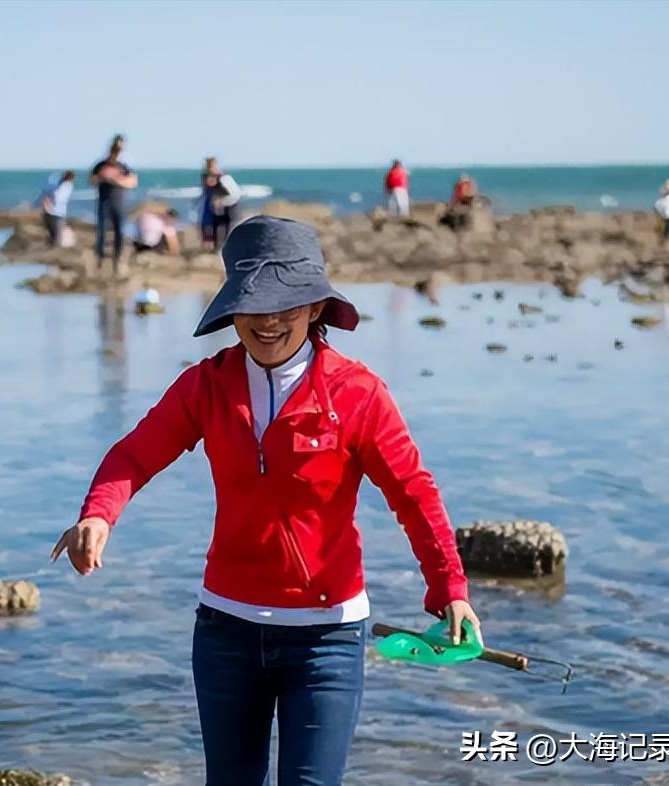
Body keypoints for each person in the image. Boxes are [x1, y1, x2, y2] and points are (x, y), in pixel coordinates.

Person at [51, 215, 482, 786]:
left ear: (315, 308)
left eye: (287, 303)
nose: (269, 319)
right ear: (233, 310)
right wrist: (98, 513)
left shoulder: (358, 395)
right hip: (225, 632)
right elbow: (134, 455)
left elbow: (414, 494)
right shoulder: (205, 386)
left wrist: (449, 587)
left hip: (326, 639)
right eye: (253, 303)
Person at [90, 134, 139, 275]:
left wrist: (115, 180)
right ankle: (99, 263)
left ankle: (117, 263)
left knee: (120, 233)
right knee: (102, 233)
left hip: (119, 203)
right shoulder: (101, 165)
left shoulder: (124, 166)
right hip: (104, 203)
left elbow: (132, 182)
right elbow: (92, 179)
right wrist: (102, 178)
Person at [201, 157, 242, 249]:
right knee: (216, 224)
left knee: (230, 224)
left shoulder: (223, 178)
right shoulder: (211, 177)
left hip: (231, 202)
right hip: (224, 203)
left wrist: (220, 201)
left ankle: (228, 246)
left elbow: (232, 195)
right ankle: (218, 246)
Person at [41, 170, 76, 247]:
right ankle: (53, 247)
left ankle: (54, 248)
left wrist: (48, 200)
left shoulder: (65, 186)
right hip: (55, 212)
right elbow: (57, 197)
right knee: (55, 234)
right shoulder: (65, 186)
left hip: (55, 212)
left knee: (55, 234)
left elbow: (58, 198)